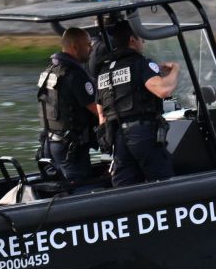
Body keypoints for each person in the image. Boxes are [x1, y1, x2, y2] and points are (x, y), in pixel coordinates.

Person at [95, 21, 179, 187]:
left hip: (117, 137)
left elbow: (101, 112)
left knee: (124, 185)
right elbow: (164, 90)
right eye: (142, 39)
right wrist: (175, 70)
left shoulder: (104, 71)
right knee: (162, 181)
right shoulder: (141, 63)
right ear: (133, 40)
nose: (143, 43)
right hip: (142, 133)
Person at [37, 27, 99, 190]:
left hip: (50, 144)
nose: (92, 48)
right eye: (88, 45)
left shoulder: (50, 70)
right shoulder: (75, 75)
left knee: (63, 187)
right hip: (70, 147)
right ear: (75, 46)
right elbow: (97, 110)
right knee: (79, 188)